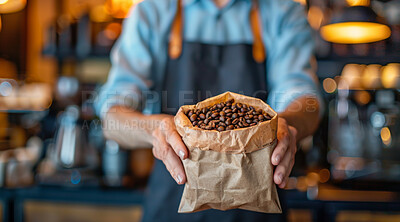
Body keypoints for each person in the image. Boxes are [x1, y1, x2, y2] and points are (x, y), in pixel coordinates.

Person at [95, 0, 322, 221]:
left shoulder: (283, 11)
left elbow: (306, 100)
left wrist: (287, 125)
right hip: (173, 202)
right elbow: (112, 117)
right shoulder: (152, 11)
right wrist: (155, 129)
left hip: (258, 207)